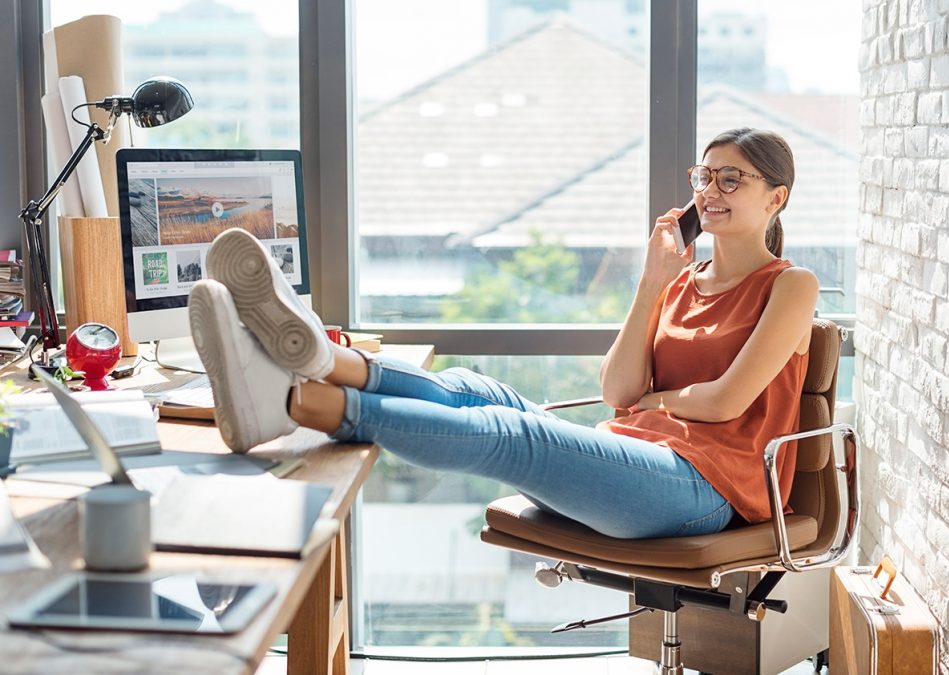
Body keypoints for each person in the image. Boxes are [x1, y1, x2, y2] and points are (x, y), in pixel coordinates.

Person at [189, 127, 819, 540]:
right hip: (644, 459)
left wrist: (655, 403)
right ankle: (320, 359)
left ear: (776, 197)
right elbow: (618, 389)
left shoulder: (791, 286)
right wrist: (650, 284)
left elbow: (725, 402)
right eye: (703, 176)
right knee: (470, 385)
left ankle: (296, 402)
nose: (710, 191)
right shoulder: (681, 279)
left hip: (707, 491)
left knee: (513, 434)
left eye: (731, 178)